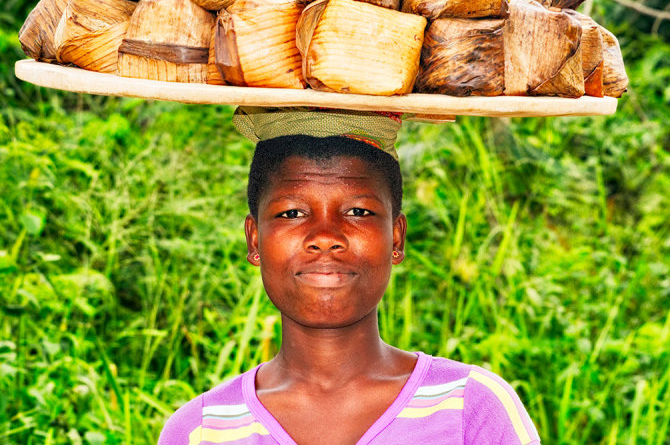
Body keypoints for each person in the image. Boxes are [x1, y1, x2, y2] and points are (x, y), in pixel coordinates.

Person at [158, 107, 540, 445]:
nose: (325, 237)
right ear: (255, 239)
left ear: (396, 236)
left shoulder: (469, 409)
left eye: (358, 212)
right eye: (291, 213)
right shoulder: (200, 431)